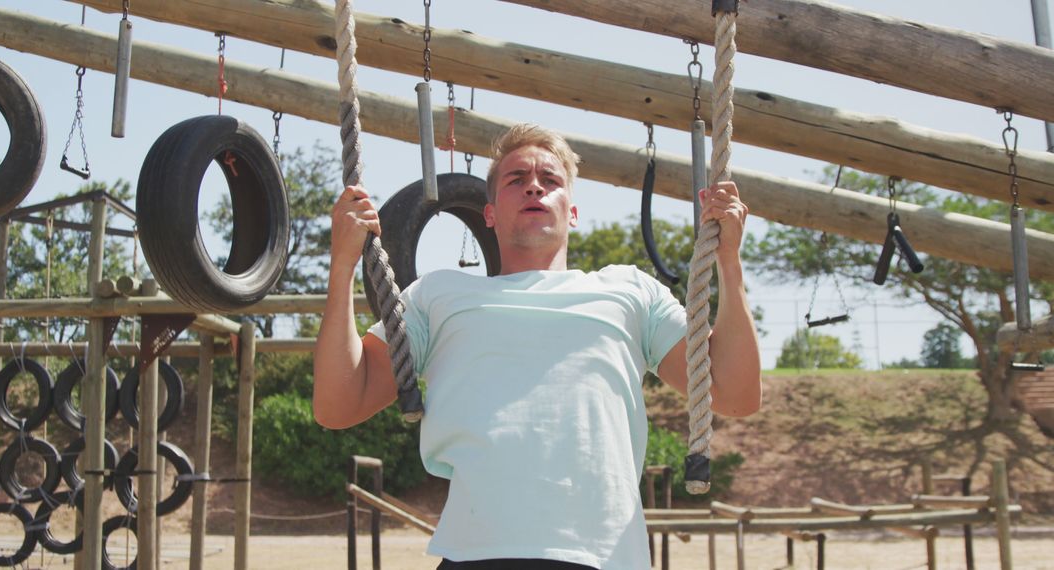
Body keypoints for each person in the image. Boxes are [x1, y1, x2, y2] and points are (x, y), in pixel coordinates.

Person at [313, 124, 761, 570]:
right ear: (488, 213)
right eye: (516, 179)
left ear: (572, 212)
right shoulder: (437, 296)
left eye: (550, 180)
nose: (534, 187)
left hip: (604, 556)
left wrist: (729, 261)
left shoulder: (630, 292)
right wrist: (342, 265)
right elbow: (338, 405)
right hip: (477, 553)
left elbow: (736, 395)